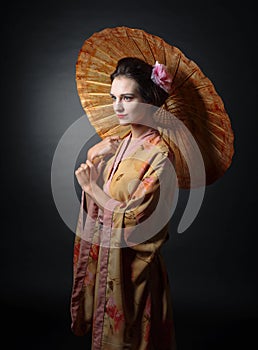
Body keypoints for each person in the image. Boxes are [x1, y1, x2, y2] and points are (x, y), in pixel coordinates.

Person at [71, 57, 177, 349]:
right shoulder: (119, 142)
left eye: (127, 98)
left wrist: (92, 188)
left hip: (134, 269)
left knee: (134, 338)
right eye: (114, 98)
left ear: (149, 101)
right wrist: (94, 155)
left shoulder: (160, 156)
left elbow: (136, 222)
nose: (117, 106)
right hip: (110, 262)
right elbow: (109, 195)